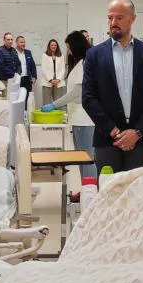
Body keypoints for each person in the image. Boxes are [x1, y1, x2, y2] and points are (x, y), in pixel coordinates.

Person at [81, 0, 143, 173]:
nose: (113, 23)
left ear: (132, 18)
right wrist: (114, 131)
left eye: (119, 18)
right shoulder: (94, 55)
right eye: (110, 18)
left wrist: (137, 132)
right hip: (106, 138)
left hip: (139, 140)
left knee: (135, 193)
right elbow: (88, 98)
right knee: (108, 192)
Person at [40, 31, 95, 179]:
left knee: (87, 158)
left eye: (69, 47)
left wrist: (53, 105)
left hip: (85, 119)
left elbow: (77, 92)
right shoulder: (79, 63)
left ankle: (91, 191)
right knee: (81, 158)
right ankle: (85, 190)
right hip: (77, 118)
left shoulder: (85, 63)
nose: (68, 51)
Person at [41, 39, 64, 104]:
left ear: (57, 46)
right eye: (52, 45)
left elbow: (63, 68)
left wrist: (58, 79)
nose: (53, 46)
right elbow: (43, 69)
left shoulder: (61, 55)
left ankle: (57, 114)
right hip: (47, 81)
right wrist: (50, 80)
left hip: (58, 81)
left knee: (58, 102)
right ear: (49, 46)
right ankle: (47, 114)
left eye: (55, 45)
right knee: (47, 101)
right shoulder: (44, 55)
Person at [15, 35, 38, 100]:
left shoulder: (28, 52)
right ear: (16, 43)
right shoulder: (13, 53)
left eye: (24, 42)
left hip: (27, 79)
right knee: (18, 98)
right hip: (17, 79)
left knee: (27, 98)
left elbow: (32, 65)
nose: (23, 44)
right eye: (21, 42)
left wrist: (34, 76)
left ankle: (26, 110)